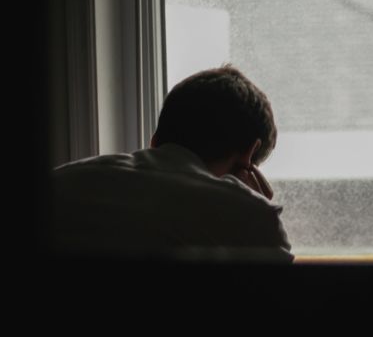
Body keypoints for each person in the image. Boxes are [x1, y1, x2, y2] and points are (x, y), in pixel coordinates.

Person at [50, 65, 293, 262]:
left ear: (154, 140)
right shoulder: (251, 220)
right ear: (249, 157)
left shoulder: (60, 182)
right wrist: (250, 204)